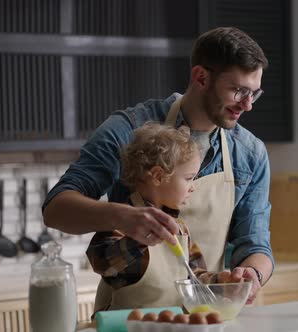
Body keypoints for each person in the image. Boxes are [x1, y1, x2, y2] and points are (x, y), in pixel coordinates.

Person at [42, 26, 274, 309]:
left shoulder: (250, 154)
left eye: (254, 93)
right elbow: (56, 210)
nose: (247, 106)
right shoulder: (127, 130)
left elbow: (255, 243)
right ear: (201, 77)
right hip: (128, 321)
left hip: (203, 320)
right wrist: (122, 217)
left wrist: (251, 274)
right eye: (238, 91)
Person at [87, 123, 229, 309]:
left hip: (168, 326)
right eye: (188, 178)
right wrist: (139, 239)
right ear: (157, 176)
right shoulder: (124, 222)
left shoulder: (180, 229)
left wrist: (220, 280)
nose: (193, 186)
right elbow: (101, 262)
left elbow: (194, 275)